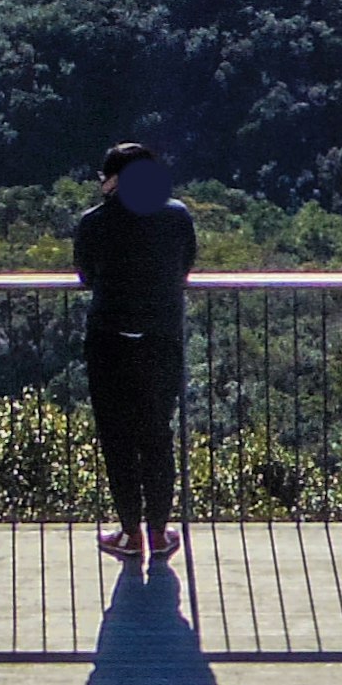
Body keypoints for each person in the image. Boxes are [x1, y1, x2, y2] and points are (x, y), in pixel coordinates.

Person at [73, 141, 197, 561]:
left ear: (111, 180)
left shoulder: (93, 222)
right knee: (157, 436)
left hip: (109, 341)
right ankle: (160, 533)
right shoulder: (177, 216)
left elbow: (87, 276)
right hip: (161, 339)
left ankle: (130, 534)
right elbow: (185, 267)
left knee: (118, 440)